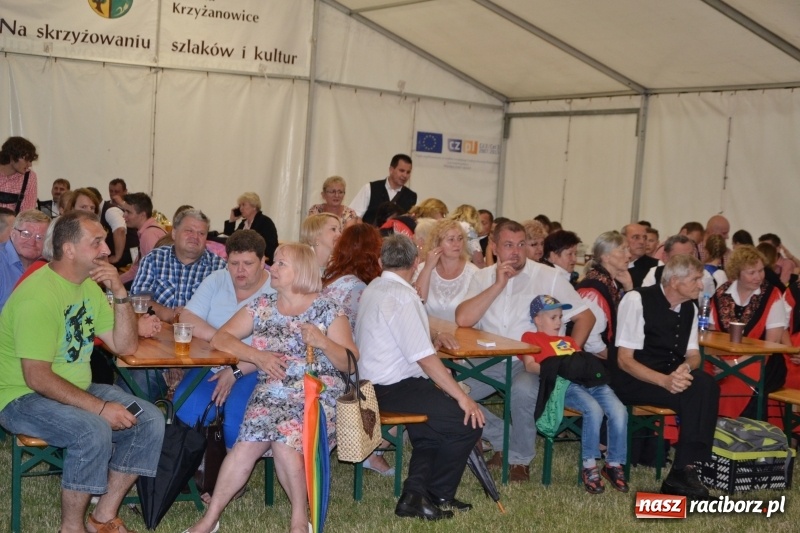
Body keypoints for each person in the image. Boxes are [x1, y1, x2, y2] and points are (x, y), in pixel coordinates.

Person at [0, 210, 165, 533]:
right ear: (70, 249)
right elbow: (37, 377)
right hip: (21, 397)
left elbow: (125, 345)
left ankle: (102, 516)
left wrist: (120, 292)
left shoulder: (88, 287)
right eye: (97, 243)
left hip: (72, 389)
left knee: (150, 419)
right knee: (92, 429)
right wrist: (100, 408)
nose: (106, 250)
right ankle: (71, 528)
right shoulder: (38, 296)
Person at [184, 243, 356, 533]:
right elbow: (221, 339)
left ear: (300, 270)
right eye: (273, 263)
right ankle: (209, 519)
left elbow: (350, 363)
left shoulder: (327, 308)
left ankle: (299, 521)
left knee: (284, 437)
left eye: (280, 264)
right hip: (273, 390)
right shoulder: (262, 306)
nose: (271, 269)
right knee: (244, 447)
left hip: (315, 393)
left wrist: (324, 342)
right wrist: (256, 356)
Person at [455, 220, 595, 482]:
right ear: (494, 247)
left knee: (523, 389)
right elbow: (463, 319)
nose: (516, 252)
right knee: (451, 392)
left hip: (530, 360)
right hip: (488, 359)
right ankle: (504, 440)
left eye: (521, 244)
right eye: (508, 245)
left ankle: (520, 459)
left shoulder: (548, 276)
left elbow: (585, 317)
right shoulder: (482, 276)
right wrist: (498, 284)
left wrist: (566, 356)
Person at [356, 234, 484, 520]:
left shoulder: (376, 286)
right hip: (392, 386)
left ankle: (414, 496)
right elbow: (425, 359)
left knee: (430, 433)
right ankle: (437, 493)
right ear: (416, 262)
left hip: (377, 384)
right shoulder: (401, 296)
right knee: (467, 424)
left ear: (380, 261)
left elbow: (411, 346)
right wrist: (463, 398)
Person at [612, 254, 719, 498]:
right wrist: (665, 381)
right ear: (674, 281)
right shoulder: (637, 299)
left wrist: (685, 369)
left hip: (669, 376)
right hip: (633, 379)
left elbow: (694, 355)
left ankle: (685, 468)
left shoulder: (690, 308)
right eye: (695, 279)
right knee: (695, 392)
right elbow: (624, 360)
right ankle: (683, 472)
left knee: (706, 384)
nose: (701, 285)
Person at [173, 230, 275, 452]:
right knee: (186, 405)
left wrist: (235, 370)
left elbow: (276, 349)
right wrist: (221, 341)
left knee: (235, 421)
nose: (240, 270)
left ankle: (231, 479)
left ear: (263, 261)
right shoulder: (217, 279)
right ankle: (192, 466)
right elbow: (187, 317)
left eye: (248, 263)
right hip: (213, 362)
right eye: (233, 263)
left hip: (256, 369)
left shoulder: (275, 290)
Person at [521, 295, 628, 494]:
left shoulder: (568, 340)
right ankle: (589, 466)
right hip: (566, 385)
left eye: (560, 317)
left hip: (589, 382)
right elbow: (530, 366)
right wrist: (553, 369)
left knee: (619, 411)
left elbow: (580, 363)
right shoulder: (531, 338)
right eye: (553, 317)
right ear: (537, 319)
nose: (559, 322)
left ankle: (613, 463)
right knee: (593, 409)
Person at [129, 209, 227, 400]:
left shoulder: (219, 268)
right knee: (132, 391)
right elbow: (137, 301)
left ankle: (174, 425)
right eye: (189, 231)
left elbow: (224, 316)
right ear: (174, 233)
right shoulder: (155, 259)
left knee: (192, 398)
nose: (195, 237)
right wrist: (170, 314)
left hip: (199, 356)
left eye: (201, 233)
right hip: (155, 350)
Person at [320, 223, 390, 475]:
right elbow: (371, 335)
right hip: (344, 367)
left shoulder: (332, 280)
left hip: (325, 360)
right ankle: (375, 447)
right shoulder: (360, 289)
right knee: (399, 380)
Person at [708, 245, 787, 420]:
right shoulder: (721, 293)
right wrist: (718, 362)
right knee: (699, 377)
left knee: (737, 380)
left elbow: (771, 345)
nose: (758, 277)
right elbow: (711, 334)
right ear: (737, 273)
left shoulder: (772, 295)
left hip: (762, 360)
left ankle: (736, 434)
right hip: (723, 359)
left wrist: (735, 364)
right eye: (751, 272)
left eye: (761, 271)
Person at [576, 231, 632, 360]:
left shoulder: (610, 283)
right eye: (623, 250)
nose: (629, 255)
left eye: (628, 250)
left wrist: (629, 286)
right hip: (592, 363)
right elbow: (591, 341)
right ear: (606, 257)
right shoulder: (593, 290)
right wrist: (616, 361)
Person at [414, 219, 479, 321]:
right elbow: (418, 301)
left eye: (460, 238)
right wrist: (428, 268)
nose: (457, 244)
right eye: (451, 239)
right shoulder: (422, 268)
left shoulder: (474, 273)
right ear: (437, 243)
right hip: (429, 333)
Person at [0, 209, 50, 310]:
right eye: (26, 234)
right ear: (13, 234)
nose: (32, 242)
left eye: (40, 237)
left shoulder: (49, 265)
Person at [350, 154, 417, 225]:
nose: (405, 175)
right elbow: (354, 216)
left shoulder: (412, 197)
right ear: (391, 170)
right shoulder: (370, 188)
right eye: (401, 171)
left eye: (408, 172)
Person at [642, 234, 716, 297]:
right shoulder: (655, 273)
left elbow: (707, 305)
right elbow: (646, 298)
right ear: (665, 257)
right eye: (680, 257)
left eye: (690, 255)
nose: (687, 261)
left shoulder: (704, 275)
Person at [119, 192, 167, 286]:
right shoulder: (150, 231)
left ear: (142, 215)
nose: (124, 215)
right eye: (124, 211)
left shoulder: (148, 235)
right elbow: (136, 269)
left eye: (128, 212)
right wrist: (114, 282)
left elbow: (155, 271)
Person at [224, 192, 279, 265]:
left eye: (243, 205)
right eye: (240, 206)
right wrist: (232, 220)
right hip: (244, 260)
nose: (240, 208)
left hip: (262, 262)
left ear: (254, 206)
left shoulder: (265, 222)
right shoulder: (243, 224)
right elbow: (230, 240)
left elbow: (269, 248)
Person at [100, 179, 137, 268]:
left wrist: (117, 257)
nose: (113, 194)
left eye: (117, 191)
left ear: (125, 191)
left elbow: (120, 230)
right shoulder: (106, 206)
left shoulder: (133, 206)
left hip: (128, 252)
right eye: (111, 191)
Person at [0, 136, 38, 214]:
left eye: (31, 160)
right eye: (27, 159)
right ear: (13, 156)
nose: (30, 164)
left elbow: (27, 214)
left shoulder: (29, 177)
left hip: (13, 225)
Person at [623, 223, 658, 288]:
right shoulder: (613, 263)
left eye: (644, 238)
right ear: (623, 239)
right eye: (636, 237)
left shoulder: (656, 266)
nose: (642, 242)